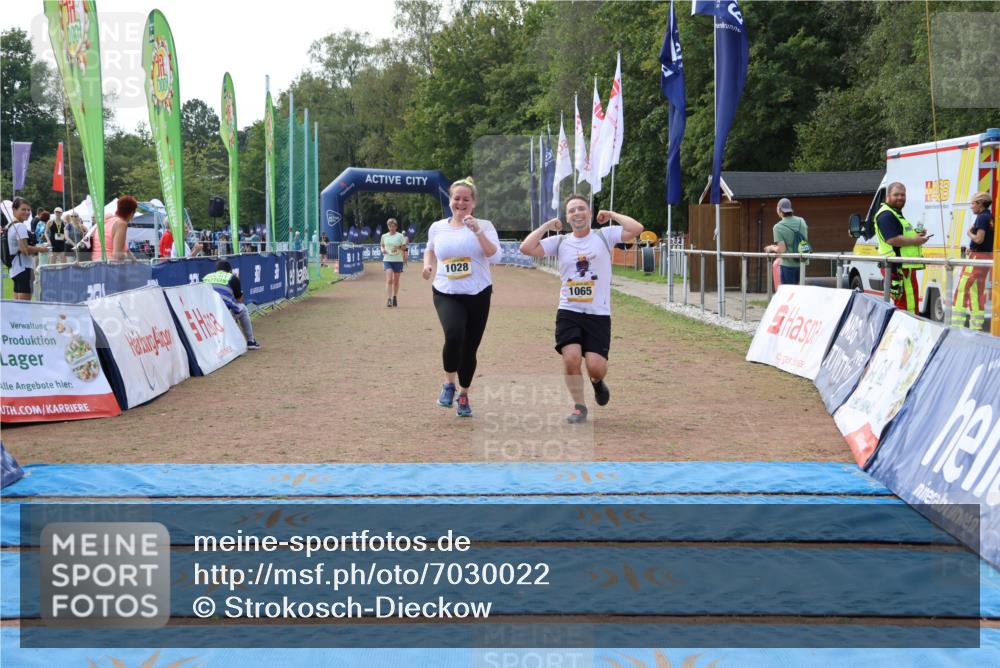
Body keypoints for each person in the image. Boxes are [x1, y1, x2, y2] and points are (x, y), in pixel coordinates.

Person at [520, 194, 643, 423]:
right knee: (571, 358)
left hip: (598, 312)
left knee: (595, 367)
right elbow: (526, 248)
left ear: (589, 212)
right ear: (567, 217)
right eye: (572, 210)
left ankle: (597, 382)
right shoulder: (560, 242)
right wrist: (548, 225)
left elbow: (636, 228)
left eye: (581, 209)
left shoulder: (604, 235)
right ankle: (579, 406)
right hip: (569, 310)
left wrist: (611, 215)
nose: (576, 213)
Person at [422, 177, 501, 417]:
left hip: (478, 293)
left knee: (470, 349)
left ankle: (463, 395)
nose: (461, 202)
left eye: (466, 199)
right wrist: (428, 265)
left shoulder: (484, 225)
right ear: (450, 201)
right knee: (454, 334)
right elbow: (430, 248)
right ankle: (448, 384)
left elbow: (494, 256)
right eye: (457, 198)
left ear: (473, 203)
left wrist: (477, 231)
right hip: (447, 291)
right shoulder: (438, 227)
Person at [875, 182, 929, 314]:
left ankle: (910, 330)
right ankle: (908, 333)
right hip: (897, 267)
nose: (900, 197)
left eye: (903, 195)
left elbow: (900, 235)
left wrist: (916, 234)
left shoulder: (895, 213)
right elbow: (892, 239)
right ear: (888, 196)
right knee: (906, 306)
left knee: (909, 303)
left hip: (903, 266)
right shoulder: (887, 215)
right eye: (896, 195)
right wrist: (916, 240)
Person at [952, 191, 994, 330]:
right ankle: (976, 327)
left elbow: (979, 239)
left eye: (973, 203)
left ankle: (956, 326)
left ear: (980, 204)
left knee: (962, 289)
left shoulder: (981, 218)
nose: (971, 207)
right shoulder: (989, 216)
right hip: (985, 256)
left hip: (977, 258)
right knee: (977, 292)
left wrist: (969, 233)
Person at [202, 259, 261, 350]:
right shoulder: (232, 277)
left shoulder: (206, 277)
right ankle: (250, 341)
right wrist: (237, 282)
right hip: (222, 315)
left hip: (205, 315)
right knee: (243, 309)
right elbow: (240, 300)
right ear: (229, 271)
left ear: (216, 270)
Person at [6, 197, 50, 300]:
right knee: (24, 306)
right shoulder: (20, 226)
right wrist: (41, 249)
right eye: (23, 209)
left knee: (17, 303)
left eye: (29, 210)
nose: (27, 212)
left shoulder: (10, 225)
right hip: (23, 268)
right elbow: (24, 249)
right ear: (14, 209)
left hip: (15, 268)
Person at [764, 198, 809, 286]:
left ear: (779, 210)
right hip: (802, 263)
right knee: (800, 293)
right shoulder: (801, 221)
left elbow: (782, 249)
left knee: (789, 294)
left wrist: (771, 248)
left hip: (788, 265)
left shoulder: (778, 227)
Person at [92, 195, 138, 261]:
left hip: (96, 263)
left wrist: (134, 260)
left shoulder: (106, 221)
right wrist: (126, 257)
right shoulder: (121, 224)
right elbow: (117, 255)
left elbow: (125, 248)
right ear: (131, 213)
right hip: (109, 266)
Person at [380, 218, 408, 307]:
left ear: (396, 227)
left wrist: (398, 247)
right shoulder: (384, 236)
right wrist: (383, 250)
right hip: (387, 259)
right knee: (389, 280)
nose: (391, 228)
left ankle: (395, 297)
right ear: (388, 227)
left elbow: (405, 248)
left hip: (398, 260)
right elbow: (382, 245)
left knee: (396, 281)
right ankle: (389, 299)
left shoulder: (400, 236)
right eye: (390, 226)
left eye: (393, 226)